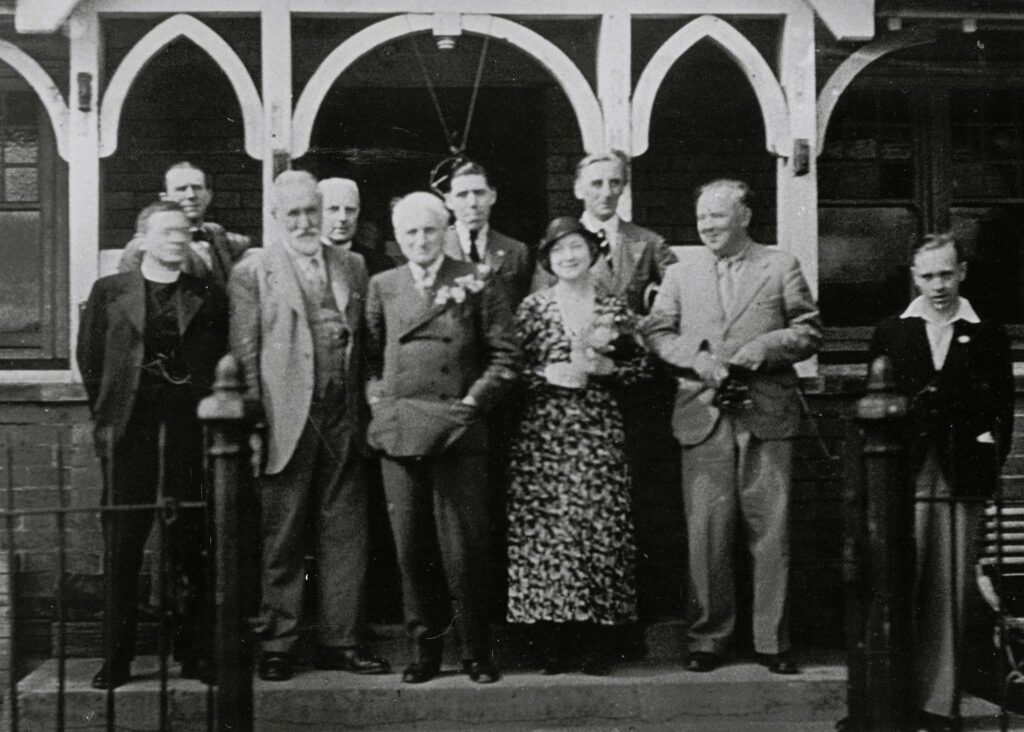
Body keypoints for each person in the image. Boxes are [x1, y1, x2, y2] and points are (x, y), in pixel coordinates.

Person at [643, 179, 821, 675]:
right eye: (702, 217)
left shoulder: (779, 265)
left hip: (766, 412)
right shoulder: (681, 271)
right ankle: (708, 638)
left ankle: (772, 641)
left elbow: (809, 330)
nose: (707, 226)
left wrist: (762, 350)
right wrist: (698, 359)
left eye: (717, 217)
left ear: (744, 216)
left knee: (771, 530)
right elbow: (656, 330)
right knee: (706, 532)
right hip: (703, 415)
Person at [230, 170, 389, 682]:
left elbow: (367, 344)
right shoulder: (254, 271)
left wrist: (368, 390)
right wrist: (255, 424)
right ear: (276, 217)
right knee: (284, 536)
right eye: (292, 213)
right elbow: (247, 353)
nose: (304, 222)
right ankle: (280, 642)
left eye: (311, 212)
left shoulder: (353, 265)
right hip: (285, 417)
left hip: (342, 414)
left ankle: (340, 641)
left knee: (346, 532)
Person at [364, 191, 520, 685]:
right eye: (409, 232)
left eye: (429, 230)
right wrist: (380, 403)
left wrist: (473, 403)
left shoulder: (476, 280)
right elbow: (368, 357)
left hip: (458, 430)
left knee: (464, 547)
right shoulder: (383, 286)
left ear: (444, 230)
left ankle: (475, 651)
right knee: (411, 546)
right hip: (401, 430)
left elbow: (505, 356)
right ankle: (425, 651)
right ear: (398, 238)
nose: (420, 241)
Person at [77, 200, 228, 689]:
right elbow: (91, 359)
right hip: (130, 431)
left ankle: (193, 653)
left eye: (184, 232)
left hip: (188, 430)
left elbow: (221, 359)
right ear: (143, 239)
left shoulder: (207, 292)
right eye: (167, 231)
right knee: (123, 542)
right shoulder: (109, 292)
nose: (178, 239)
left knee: (190, 540)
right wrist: (110, 413)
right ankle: (117, 659)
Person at [868, 233, 1013, 732]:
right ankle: (892, 698)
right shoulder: (892, 331)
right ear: (914, 277)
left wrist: (984, 471)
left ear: (962, 273)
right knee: (897, 582)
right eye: (928, 276)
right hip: (901, 478)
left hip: (959, 477)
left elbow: (1000, 415)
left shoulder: (987, 334)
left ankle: (937, 702)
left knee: (948, 589)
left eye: (946, 274)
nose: (938, 285)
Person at [506, 216, 643, 675]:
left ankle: (597, 641)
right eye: (559, 250)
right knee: (547, 535)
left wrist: (610, 371)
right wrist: (542, 374)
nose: (569, 257)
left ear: (593, 253)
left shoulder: (613, 307)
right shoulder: (533, 308)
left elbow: (643, 369)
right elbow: (508, 367)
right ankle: (551, 641)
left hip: (598, 433)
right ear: (547, 259)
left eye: (577, 248)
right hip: (545, 437)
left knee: (597, 532)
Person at [532, 150, 676, 315]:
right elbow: (539, 306)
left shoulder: (650, 242)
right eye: (597, 184)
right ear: (578, 190)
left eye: (615, 183)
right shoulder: (556, 245)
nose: (607, 193)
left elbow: (680, 297)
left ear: (623, 188)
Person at [118, 162, 252, 288]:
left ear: (209, 195)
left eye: (197, 188)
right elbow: (129, 297)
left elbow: (242, 243)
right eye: (181, 189)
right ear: (165, 198)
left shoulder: (216, 235)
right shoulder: (143, 245)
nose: (191, 195)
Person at [442, 160, 532, 307]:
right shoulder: (436, 248)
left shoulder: (516, 251)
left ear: (493, 196)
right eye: (462, 195)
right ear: (449, 201)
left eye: (479, 193)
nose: (472, 203)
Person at [318, 177, 396, 276]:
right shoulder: (298, 262)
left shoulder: (381, 266)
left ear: (358, 212)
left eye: (350, 210)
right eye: (333, 209)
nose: (343, 218)